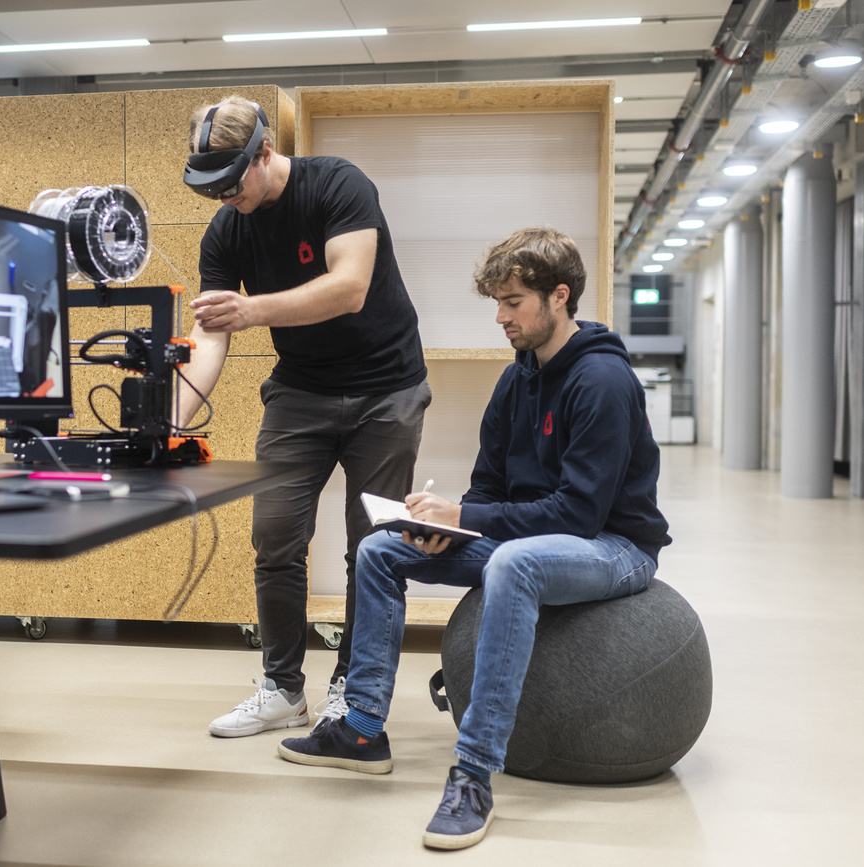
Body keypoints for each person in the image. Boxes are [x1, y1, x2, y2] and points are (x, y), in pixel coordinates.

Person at [277, 227, 671, 850]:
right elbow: (489, 486)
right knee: (381, 550)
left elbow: (579, 514)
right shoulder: (517, 379)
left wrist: (468, 516)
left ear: (560, 296)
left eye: (514, 302)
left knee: (514, 564)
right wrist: (446, 526)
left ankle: (473, 774)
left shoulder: (602, 381)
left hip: (614, 546)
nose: (501, 317)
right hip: (538, 538)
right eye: (498, 303)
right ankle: (360, 729)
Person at [178, 96, 429, 737]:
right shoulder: (226, 231)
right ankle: (283, 689)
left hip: (386, 389)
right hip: (300, 390)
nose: (225, 197)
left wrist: (253, 310)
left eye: (232, 182)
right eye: (212, 188)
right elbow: (211, 337)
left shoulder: (338, 184)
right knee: (275, 537)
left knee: (371, 548)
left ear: (265, 151)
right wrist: (170, 422)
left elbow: (349, 288)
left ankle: (354, 688)